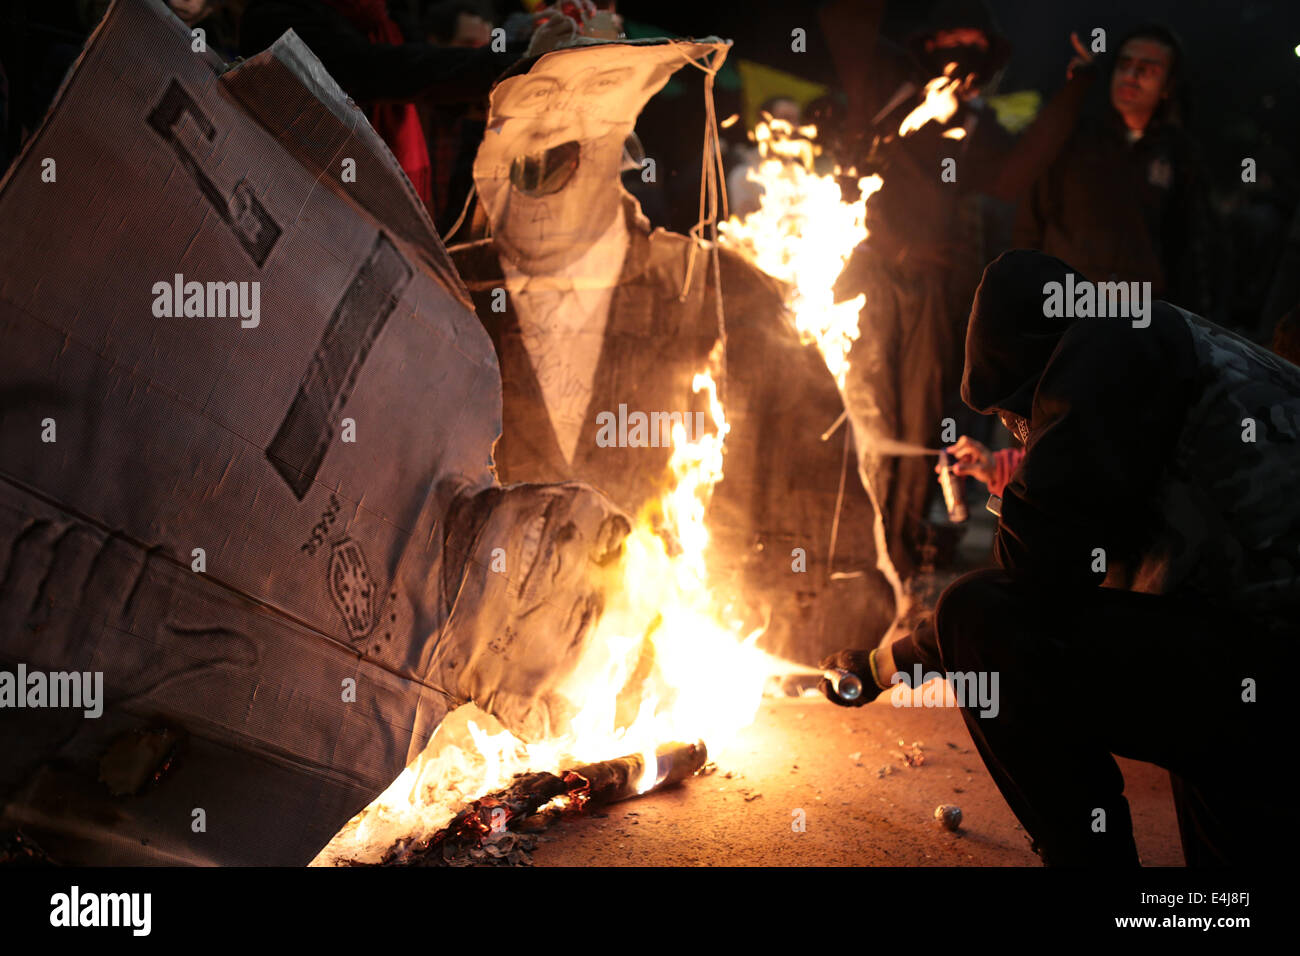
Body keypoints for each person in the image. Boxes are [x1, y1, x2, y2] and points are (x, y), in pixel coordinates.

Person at [821, 249, 1298, 866]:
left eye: (1015, 417)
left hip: (1267, 663)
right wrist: (885, 665)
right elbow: (1067, 565)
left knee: (978, 613)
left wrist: (1017, 491)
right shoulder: (1163, 343)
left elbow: (1029, 585)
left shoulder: (1109, 340)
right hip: (1249, 661)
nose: (1021, 432)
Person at [239, 0, 574, 212]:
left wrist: (523, 49)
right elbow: (386, 70)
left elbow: (427, 60)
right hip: (310, 201)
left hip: (382, 201)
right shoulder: (278, 14)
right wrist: (518, 62)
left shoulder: (384, 13)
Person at [1014, 22, 1219, 318]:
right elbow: (1029, 223)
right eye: (1124, 64)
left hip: (1139, 315)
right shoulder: (1073, 139)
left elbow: (1188, 249)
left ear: (1168, 87)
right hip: (1064, 307)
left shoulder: (1179, 155)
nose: (1131, 76)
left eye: (1147, 69)